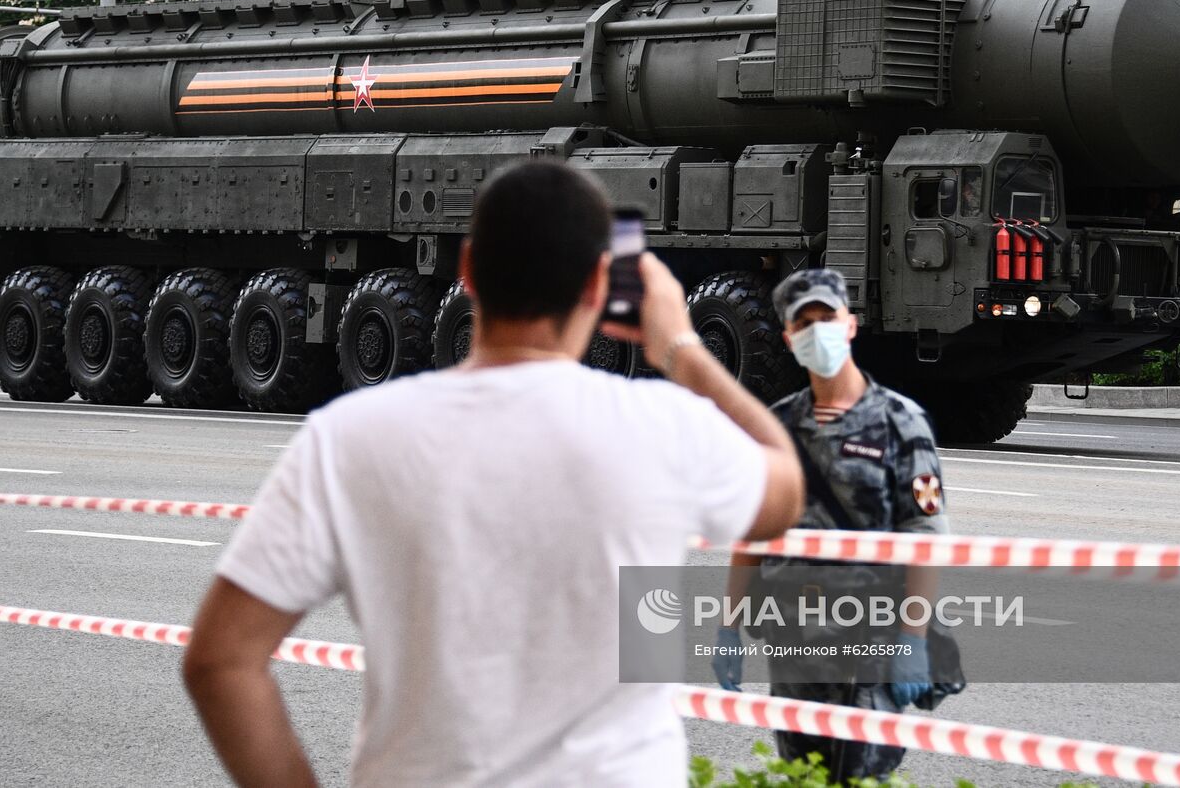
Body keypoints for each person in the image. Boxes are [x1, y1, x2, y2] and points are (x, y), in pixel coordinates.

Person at [182, 161, 804, 788]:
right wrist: (681, 349)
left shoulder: (349, 436)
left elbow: (220, 662)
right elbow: (784, 487)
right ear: (598, 285)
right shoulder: (665, 426)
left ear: (470, 271)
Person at [711, 268, 954, 782]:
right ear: (788, 338)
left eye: (828, 318)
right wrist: (728, 625)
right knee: (803, 773)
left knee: (858, 775)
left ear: (850, 326)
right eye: (805, 324)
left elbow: (925, 537)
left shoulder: (899, 422)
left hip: (871, 639)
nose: (817, 330)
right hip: (794, 639)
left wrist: (912, 637)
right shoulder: (776, 426)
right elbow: (754, 532)